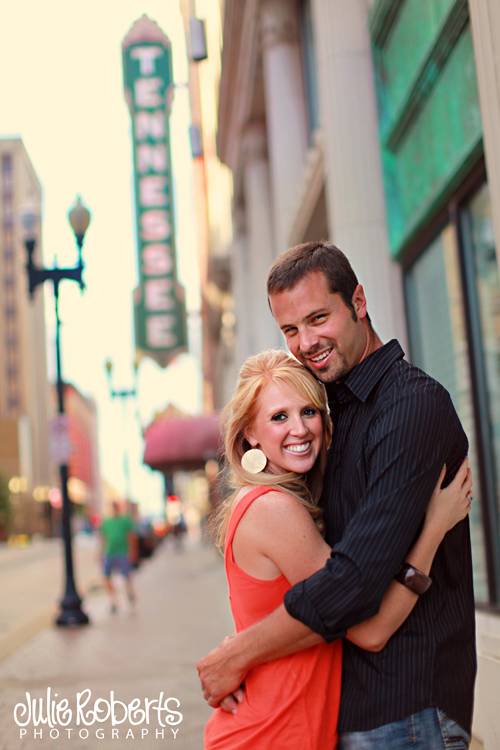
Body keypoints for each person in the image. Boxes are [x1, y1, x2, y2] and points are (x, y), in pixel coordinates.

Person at [198, 242, 476, 749]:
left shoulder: (409, 406)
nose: (306, 341)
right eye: (290, 330)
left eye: (318, 317)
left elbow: (352, 584)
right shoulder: (338, 414)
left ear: (360, 302)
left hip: (405, 707)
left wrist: (238, 653)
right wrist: (245, 646)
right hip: (346, 714)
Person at [100, 500, 136, 614]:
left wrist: (132, 551)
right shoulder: (106, 522)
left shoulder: (125, 521)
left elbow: (131, 537)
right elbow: (103, 538)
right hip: (109, 552)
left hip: (122, 552)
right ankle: (113, 601)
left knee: (126, 576)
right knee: (106, 576)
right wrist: (101, 553)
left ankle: (130, 592)